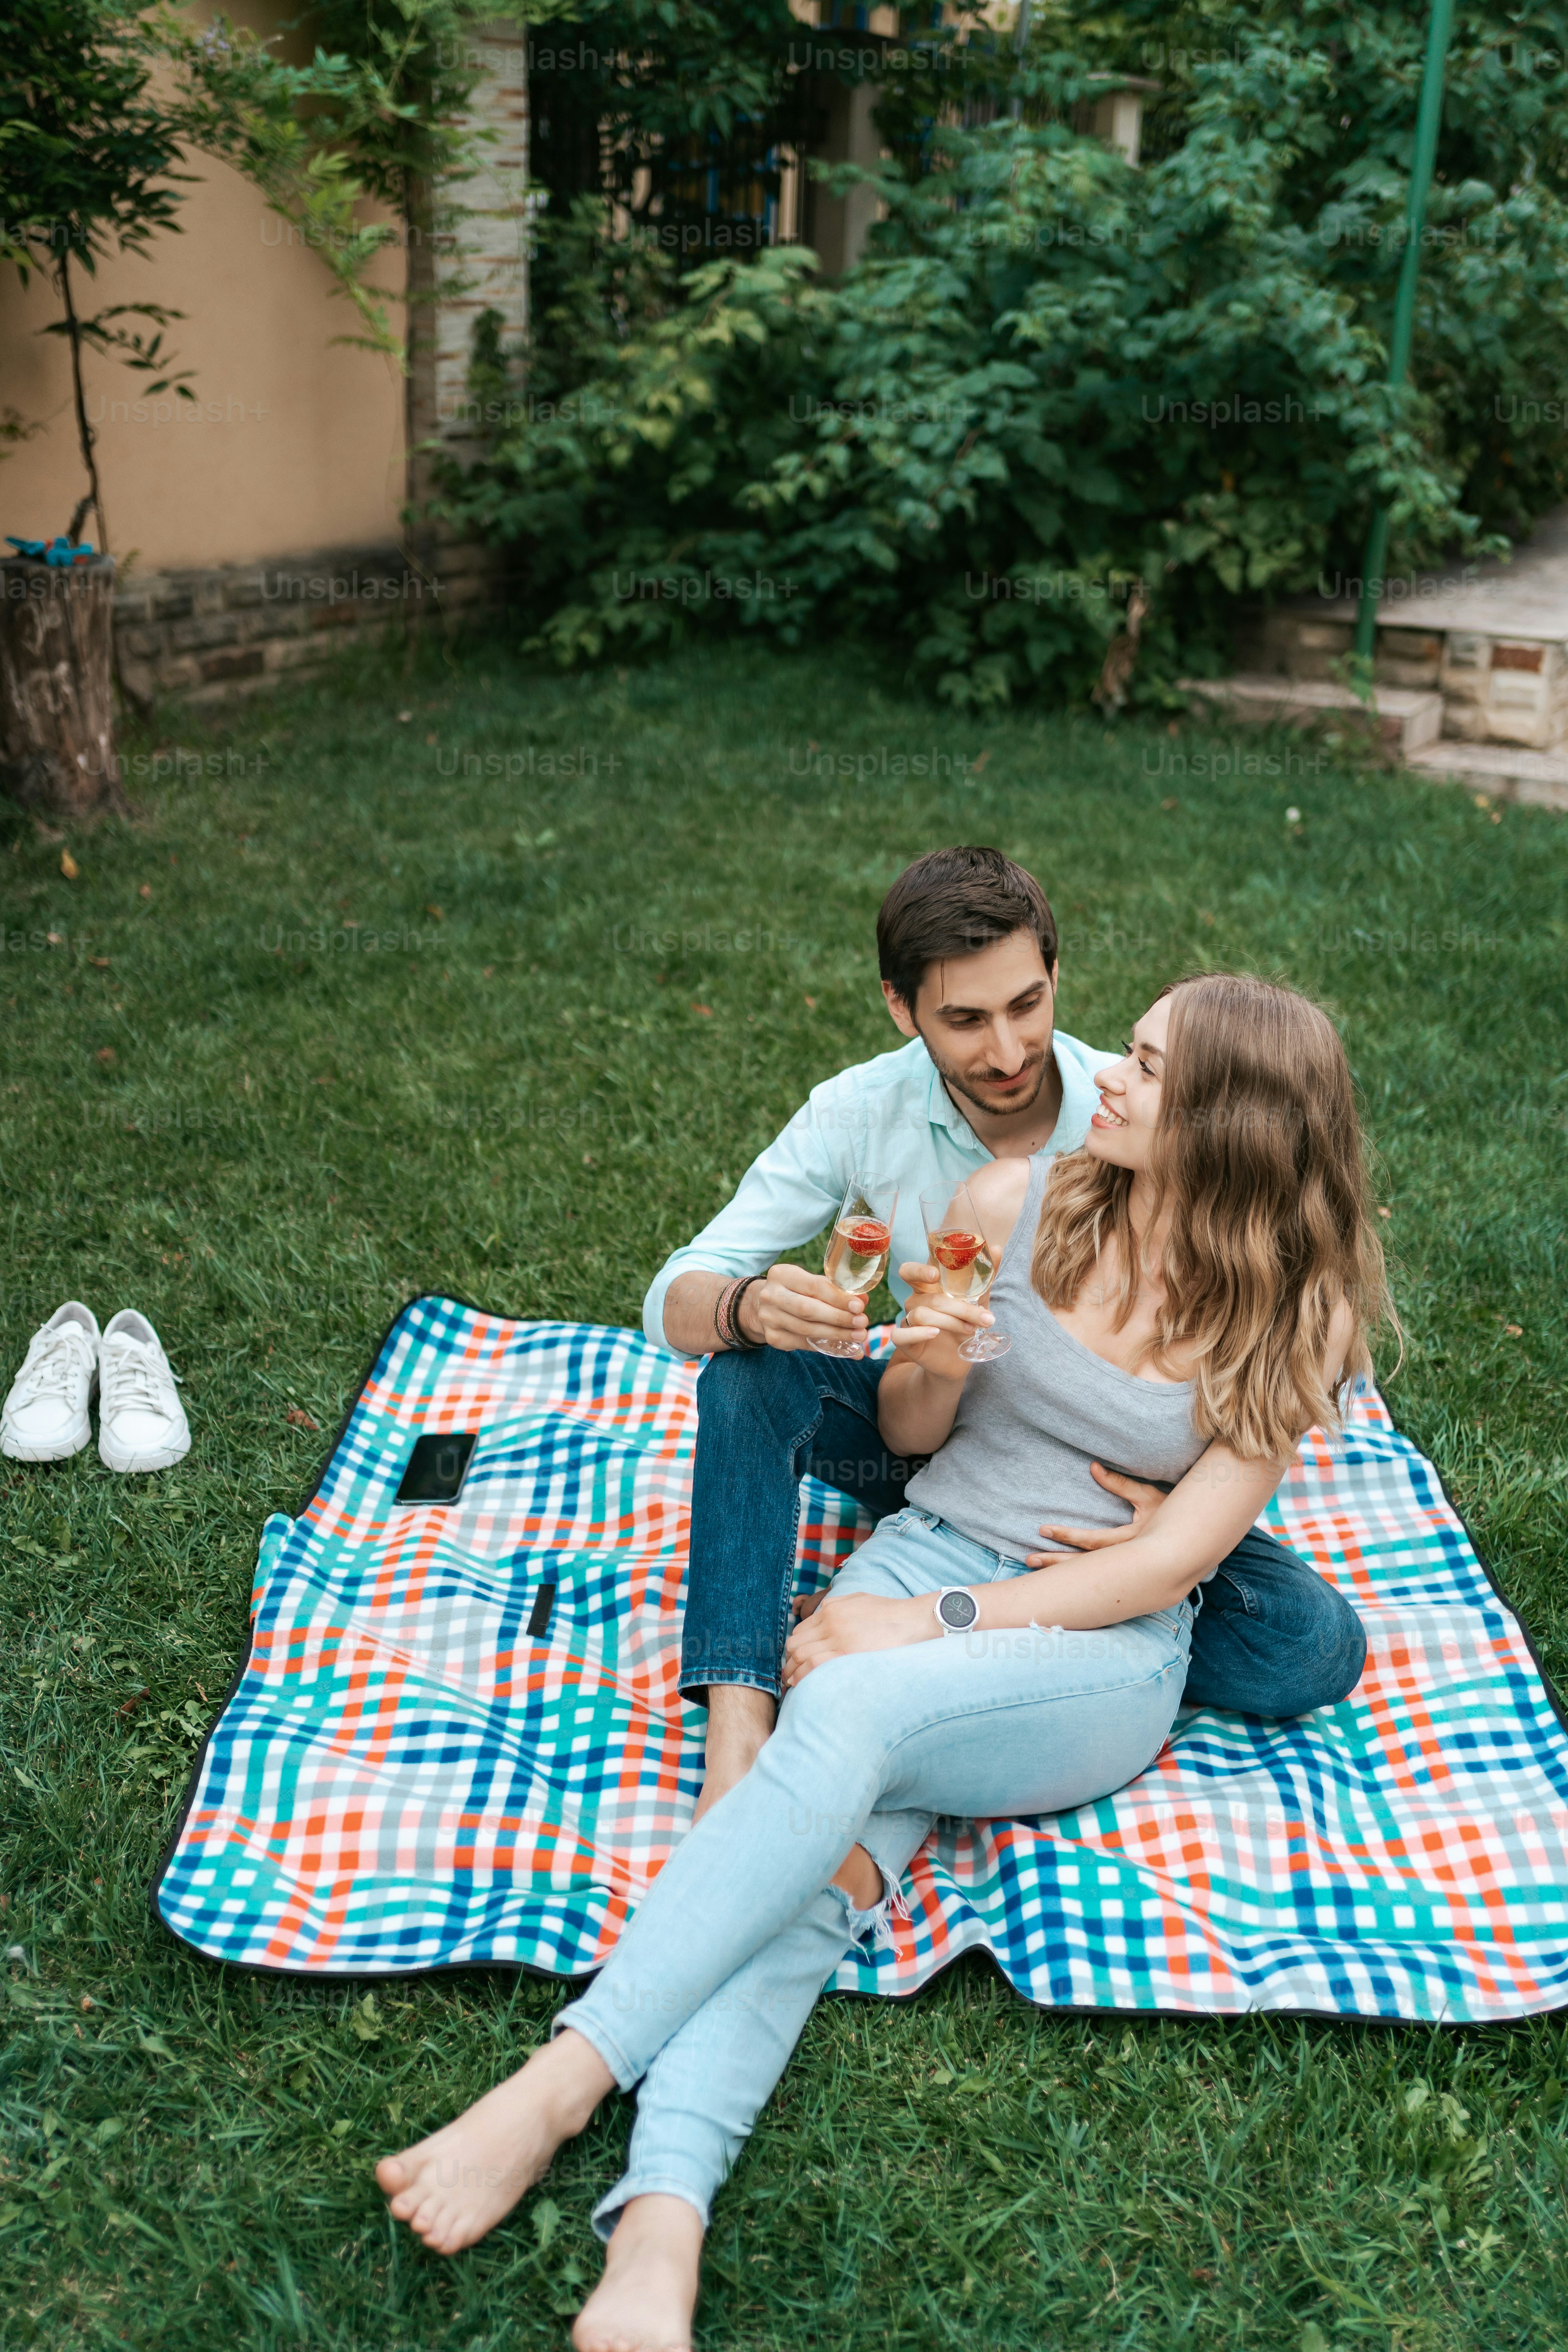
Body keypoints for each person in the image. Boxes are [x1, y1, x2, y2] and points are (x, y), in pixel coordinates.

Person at [376, 971, 1397, 2352]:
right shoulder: (1012, 1204)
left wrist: (932, 1627)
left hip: (1092, 1642)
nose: (1102, 1072)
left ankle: (562, 2082)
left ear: (1232, 1124)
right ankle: (661, 2224)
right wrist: (935, 1358)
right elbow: (915, 1440)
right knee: (818, 1879)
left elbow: (1168, 1566)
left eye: (1146, 1068)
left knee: (849, 1702)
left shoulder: (1296, 1312)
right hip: (926, 1552)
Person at [650, 845, 1365, 1815]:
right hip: (926, 1422)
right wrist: (746, 1308)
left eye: (1026, 1006)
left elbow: (1251, 1311)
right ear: (901, 1010)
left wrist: (1164, 1542)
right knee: (746, 1375)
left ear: (1055, 976)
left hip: (1101, 1479)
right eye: (963, 1020)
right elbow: (676, 1294)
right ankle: (741, 1715)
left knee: (1309, 1641)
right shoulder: (859, 1115)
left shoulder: (1135, 1118)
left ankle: (1023, 1638)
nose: (1006, 1052)